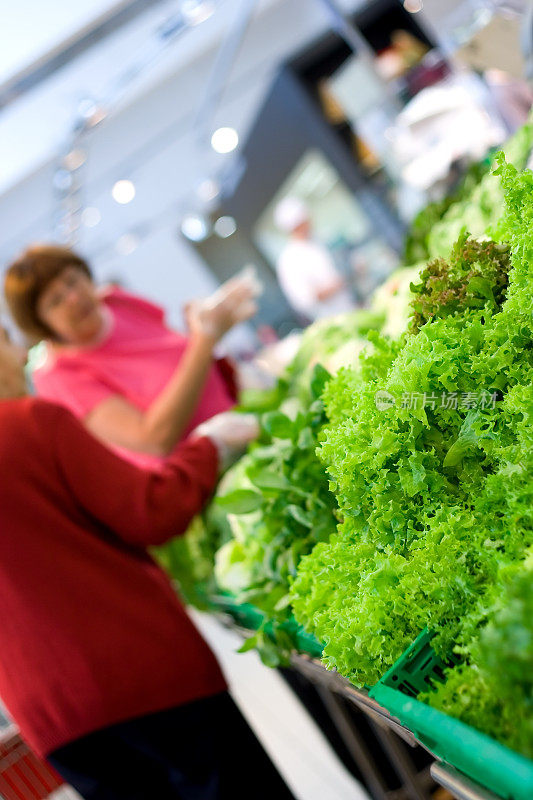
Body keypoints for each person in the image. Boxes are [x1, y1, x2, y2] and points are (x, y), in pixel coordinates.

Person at [0, 331, 296, 800]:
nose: (20, 357)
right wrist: (209, 447)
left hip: (52, 718)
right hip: (142, 676)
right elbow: (149, 511)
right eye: (7, 342)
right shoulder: (33, 422)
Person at [4, 244, 258, 466]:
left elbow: (179, 358)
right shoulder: (59, 377)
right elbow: (153, 440)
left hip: (243, 423)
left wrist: (200, 327)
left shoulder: (117, 302)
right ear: (42, 325)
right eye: (55, 301)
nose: (73, 297)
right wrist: (204, 341)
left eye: (72, 281)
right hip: (210, 476)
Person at [273, 197, 354, 323]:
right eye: (305, 221)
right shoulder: (288, 260)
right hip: (330, 320)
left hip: (350, 306)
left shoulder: (316, 241)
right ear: (296, 226)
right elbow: (304, 299)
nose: (310, 223)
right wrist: (337, 285)